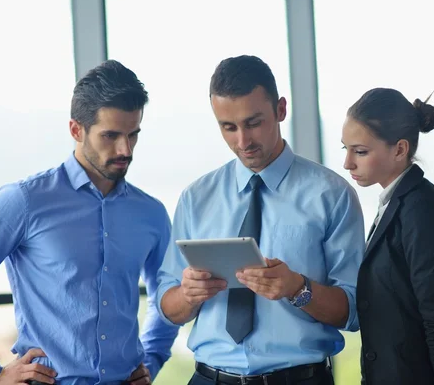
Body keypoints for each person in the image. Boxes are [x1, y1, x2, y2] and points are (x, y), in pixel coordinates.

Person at [0, 60, 179, 385]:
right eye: (110, 135)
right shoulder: (25, 201)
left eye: (133, 135)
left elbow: (168, 295)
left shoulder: (151, 213)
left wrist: (153, 359)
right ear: (76, 130)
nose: (124, 149)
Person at [156, 55, 365, 385]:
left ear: (280, 110)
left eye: (253, 123)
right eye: (229, 127)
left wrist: (298, 288)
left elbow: (353, 310)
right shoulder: (196, 198)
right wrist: (188, 295)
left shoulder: (332, 195)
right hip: (208, 378)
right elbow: (168, 307)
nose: (243, 141)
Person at [341, 87, 434, 385]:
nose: (348, 163)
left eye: (361, 151)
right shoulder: (396, 202)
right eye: (346, 149)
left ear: (399, 149)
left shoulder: (422, 209)